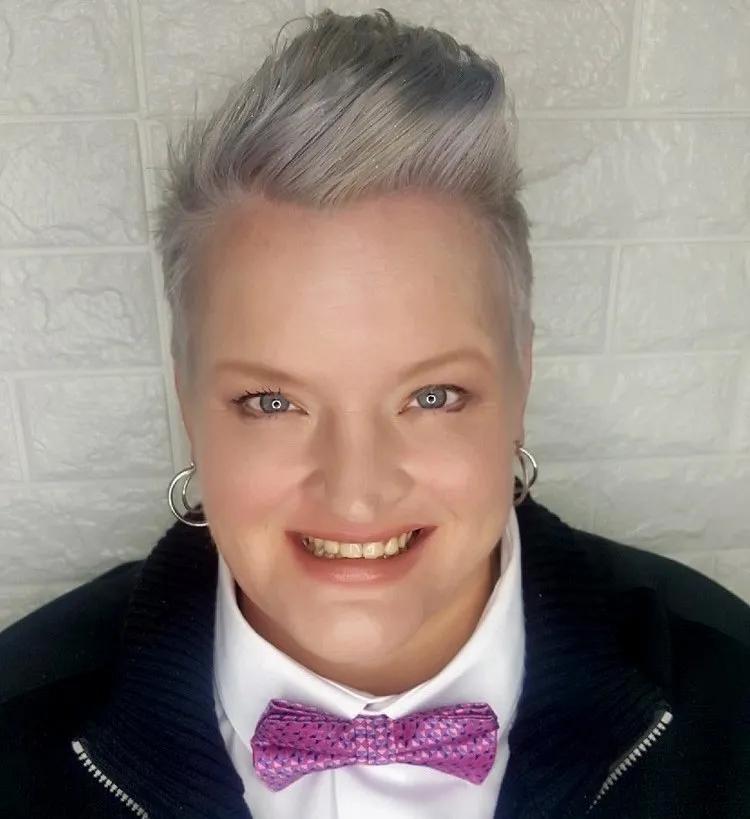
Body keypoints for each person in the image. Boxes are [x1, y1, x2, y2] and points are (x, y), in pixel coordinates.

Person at [1, 7, 749, 819]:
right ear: (188, 404)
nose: (356, 494)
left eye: (432, 396)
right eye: (272, 401)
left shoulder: (731, 701)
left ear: (520, 384)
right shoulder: (15, 731)